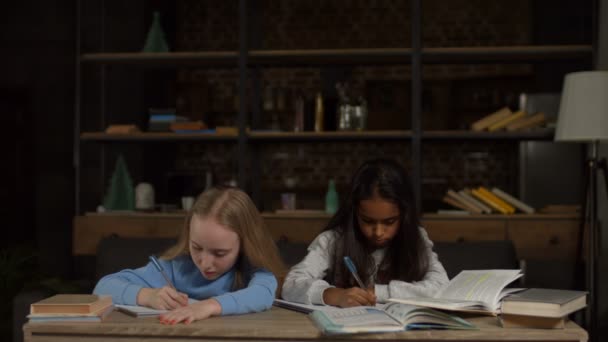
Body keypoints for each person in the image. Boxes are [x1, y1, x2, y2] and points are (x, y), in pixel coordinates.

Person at [94, 187, 285, 324]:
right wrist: (147, 296)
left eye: (220, 253)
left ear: (244, 245)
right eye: (197, 247)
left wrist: (208, 307)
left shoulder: (252, 270)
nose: (205, 263)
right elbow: (103, 287)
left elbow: (263, 293)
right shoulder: (174, 267)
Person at [281, 158, 448, 308]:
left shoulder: (417, 238)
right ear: (354, 213)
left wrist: (379, 292)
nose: (378, 232)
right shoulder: (333, 240)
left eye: (389, 222)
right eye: (368, 221)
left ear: (405, 215)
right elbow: (291, 285)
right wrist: (333, 295)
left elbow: (442, 287)